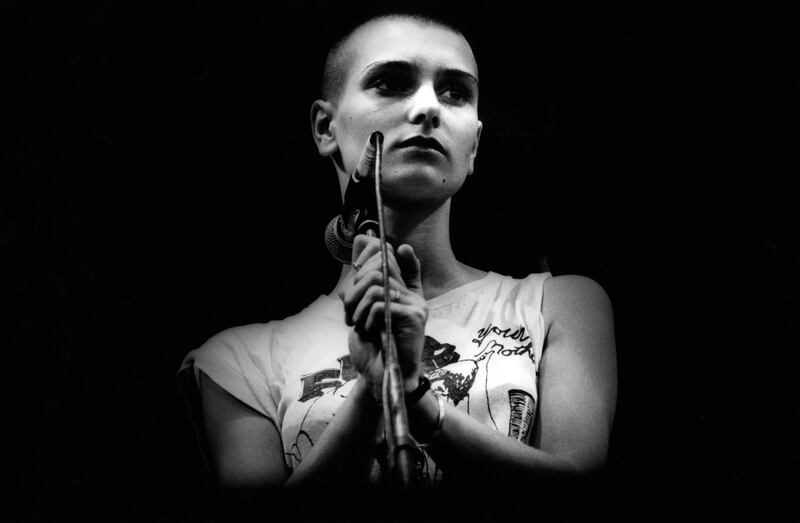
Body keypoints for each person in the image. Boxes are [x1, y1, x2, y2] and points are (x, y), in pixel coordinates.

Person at [179, 11, 616, 514]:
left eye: (455, 92)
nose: (429, 107)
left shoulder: (555, 304)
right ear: (325, 127)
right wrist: (372, 389)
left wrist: (414, 394)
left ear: (473, 145)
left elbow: (578, 490)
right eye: (390, 83)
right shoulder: (241, 359)